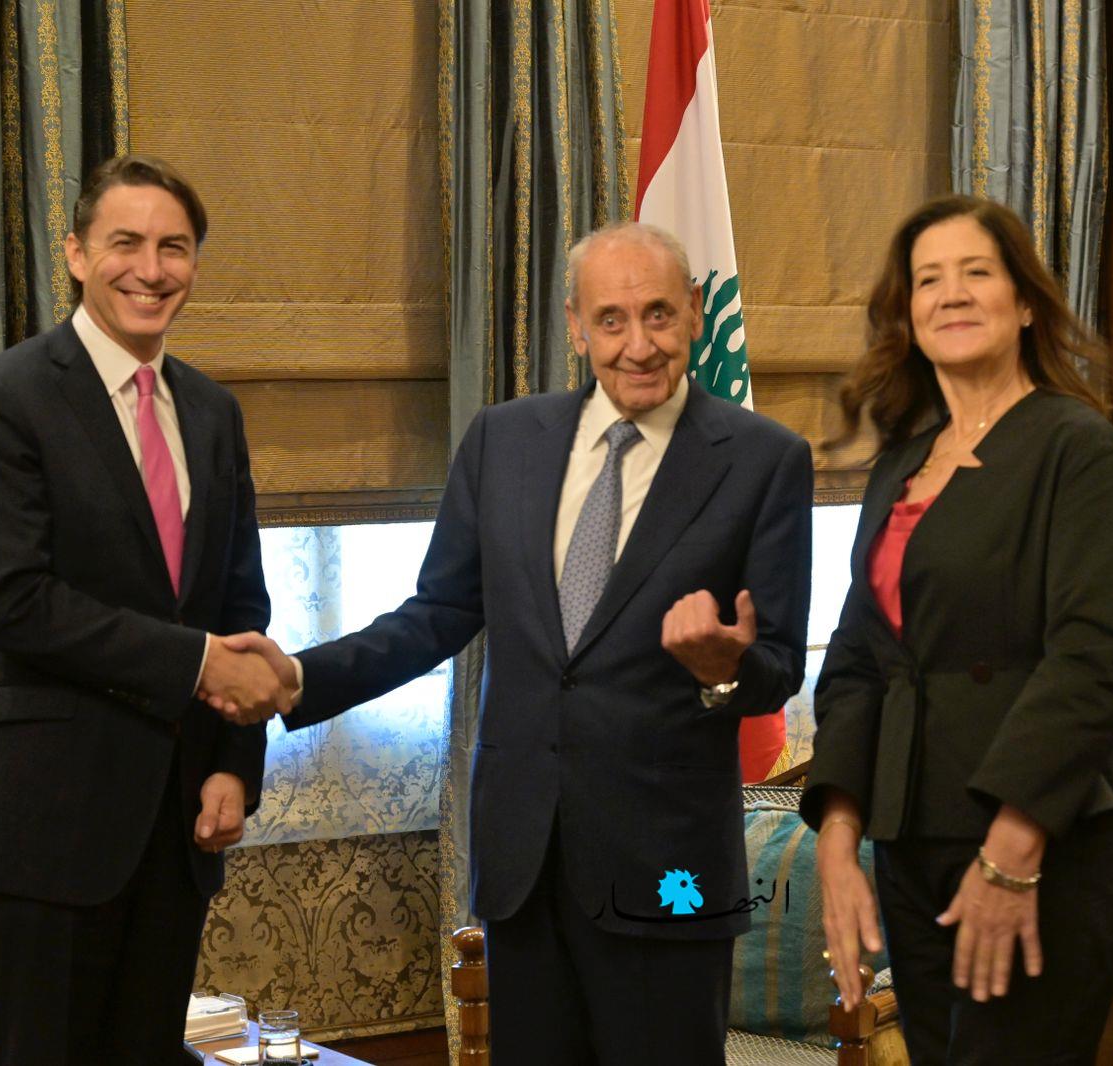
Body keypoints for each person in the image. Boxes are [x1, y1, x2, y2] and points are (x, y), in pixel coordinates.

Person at [224, 222, 813, 1065]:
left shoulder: (763, 459)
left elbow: (777, 664)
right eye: (611, 320)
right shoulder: (504, 441)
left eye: (658, 314)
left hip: (669, 871)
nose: (638, 344)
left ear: (693, 311)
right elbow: (436, 613)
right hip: (523, 864)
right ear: (575, 325)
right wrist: (299, 678)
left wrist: (724, 670)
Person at [801, 195, 1113, 1065]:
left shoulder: (1077, 448)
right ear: (907, 314)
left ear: (1025, 304)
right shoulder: (901, 465)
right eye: (928, 280)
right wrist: (837, 842)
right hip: (912, 837)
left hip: (1036, 841)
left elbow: (1091, 660)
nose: (952, 294)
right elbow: (859, 662)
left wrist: (1011, 855)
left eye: (977, 272)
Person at [0, 154, 292, 1065]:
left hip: (178, 823)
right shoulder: (1, 399)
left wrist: (234, 764)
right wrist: (197, 664)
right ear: (75, 254)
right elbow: (14, 603)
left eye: (174, 247)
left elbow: (240, 602)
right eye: (125, 242)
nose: (151, 268)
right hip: (49, 822)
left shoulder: (211, 412)